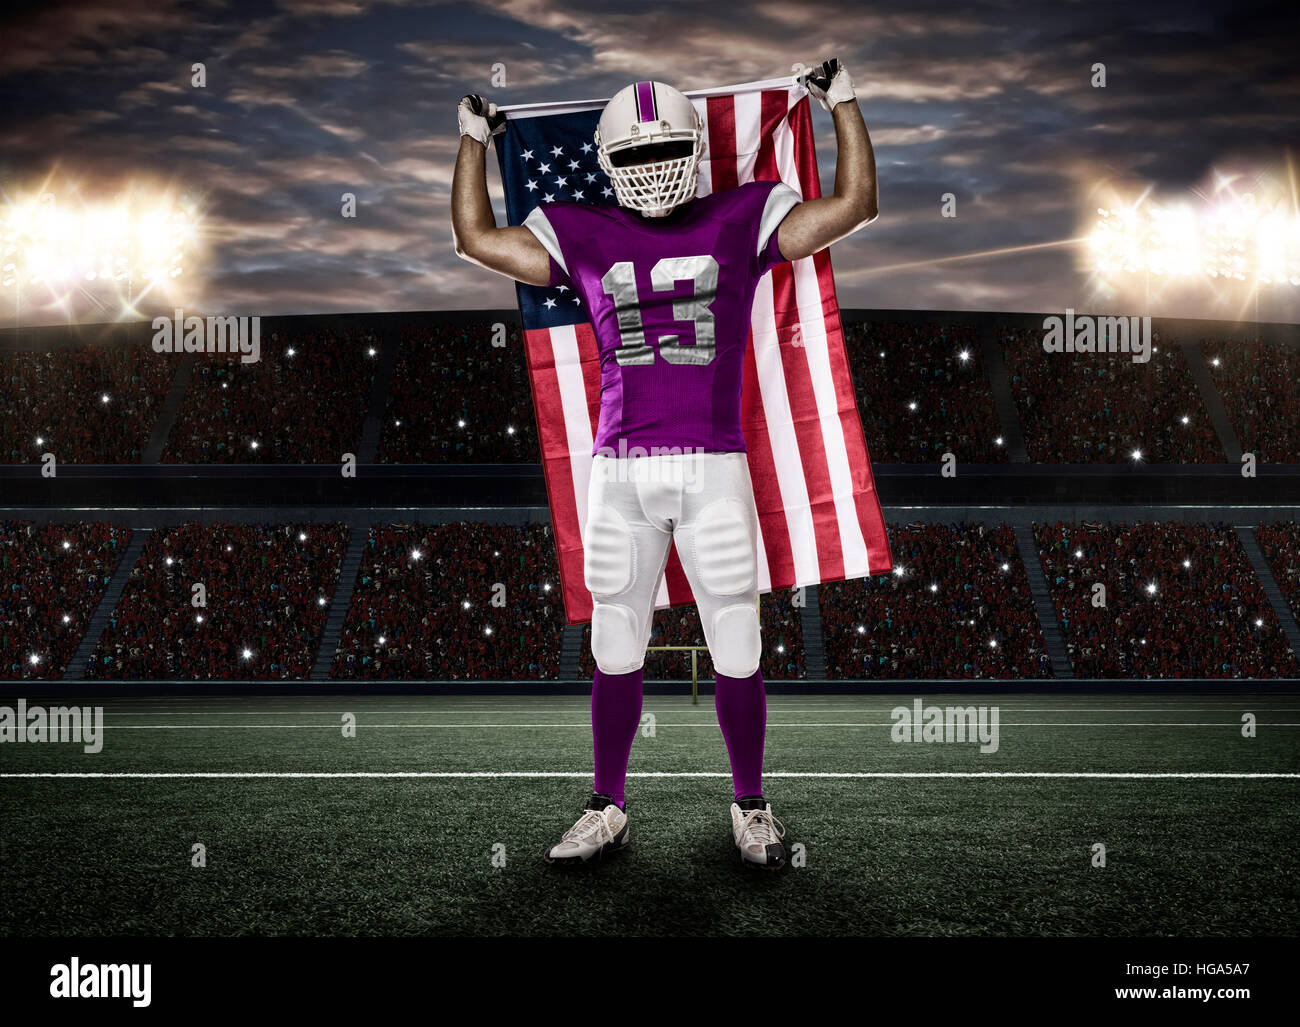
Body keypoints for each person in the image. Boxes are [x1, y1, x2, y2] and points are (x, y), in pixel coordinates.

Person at [451, 59, 878, 869]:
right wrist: (473, 141)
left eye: (664, 154)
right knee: (616, 645)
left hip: (713, 465)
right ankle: (607, 804)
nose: (651, 174)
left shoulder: (740, 214)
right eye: (635, 159)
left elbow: (857, 206)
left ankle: (750, 804)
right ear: (609, 165)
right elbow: (474, 240)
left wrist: (842, 103)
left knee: (738, 646)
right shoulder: (581, 230)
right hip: (618, 472)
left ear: (695, 150)